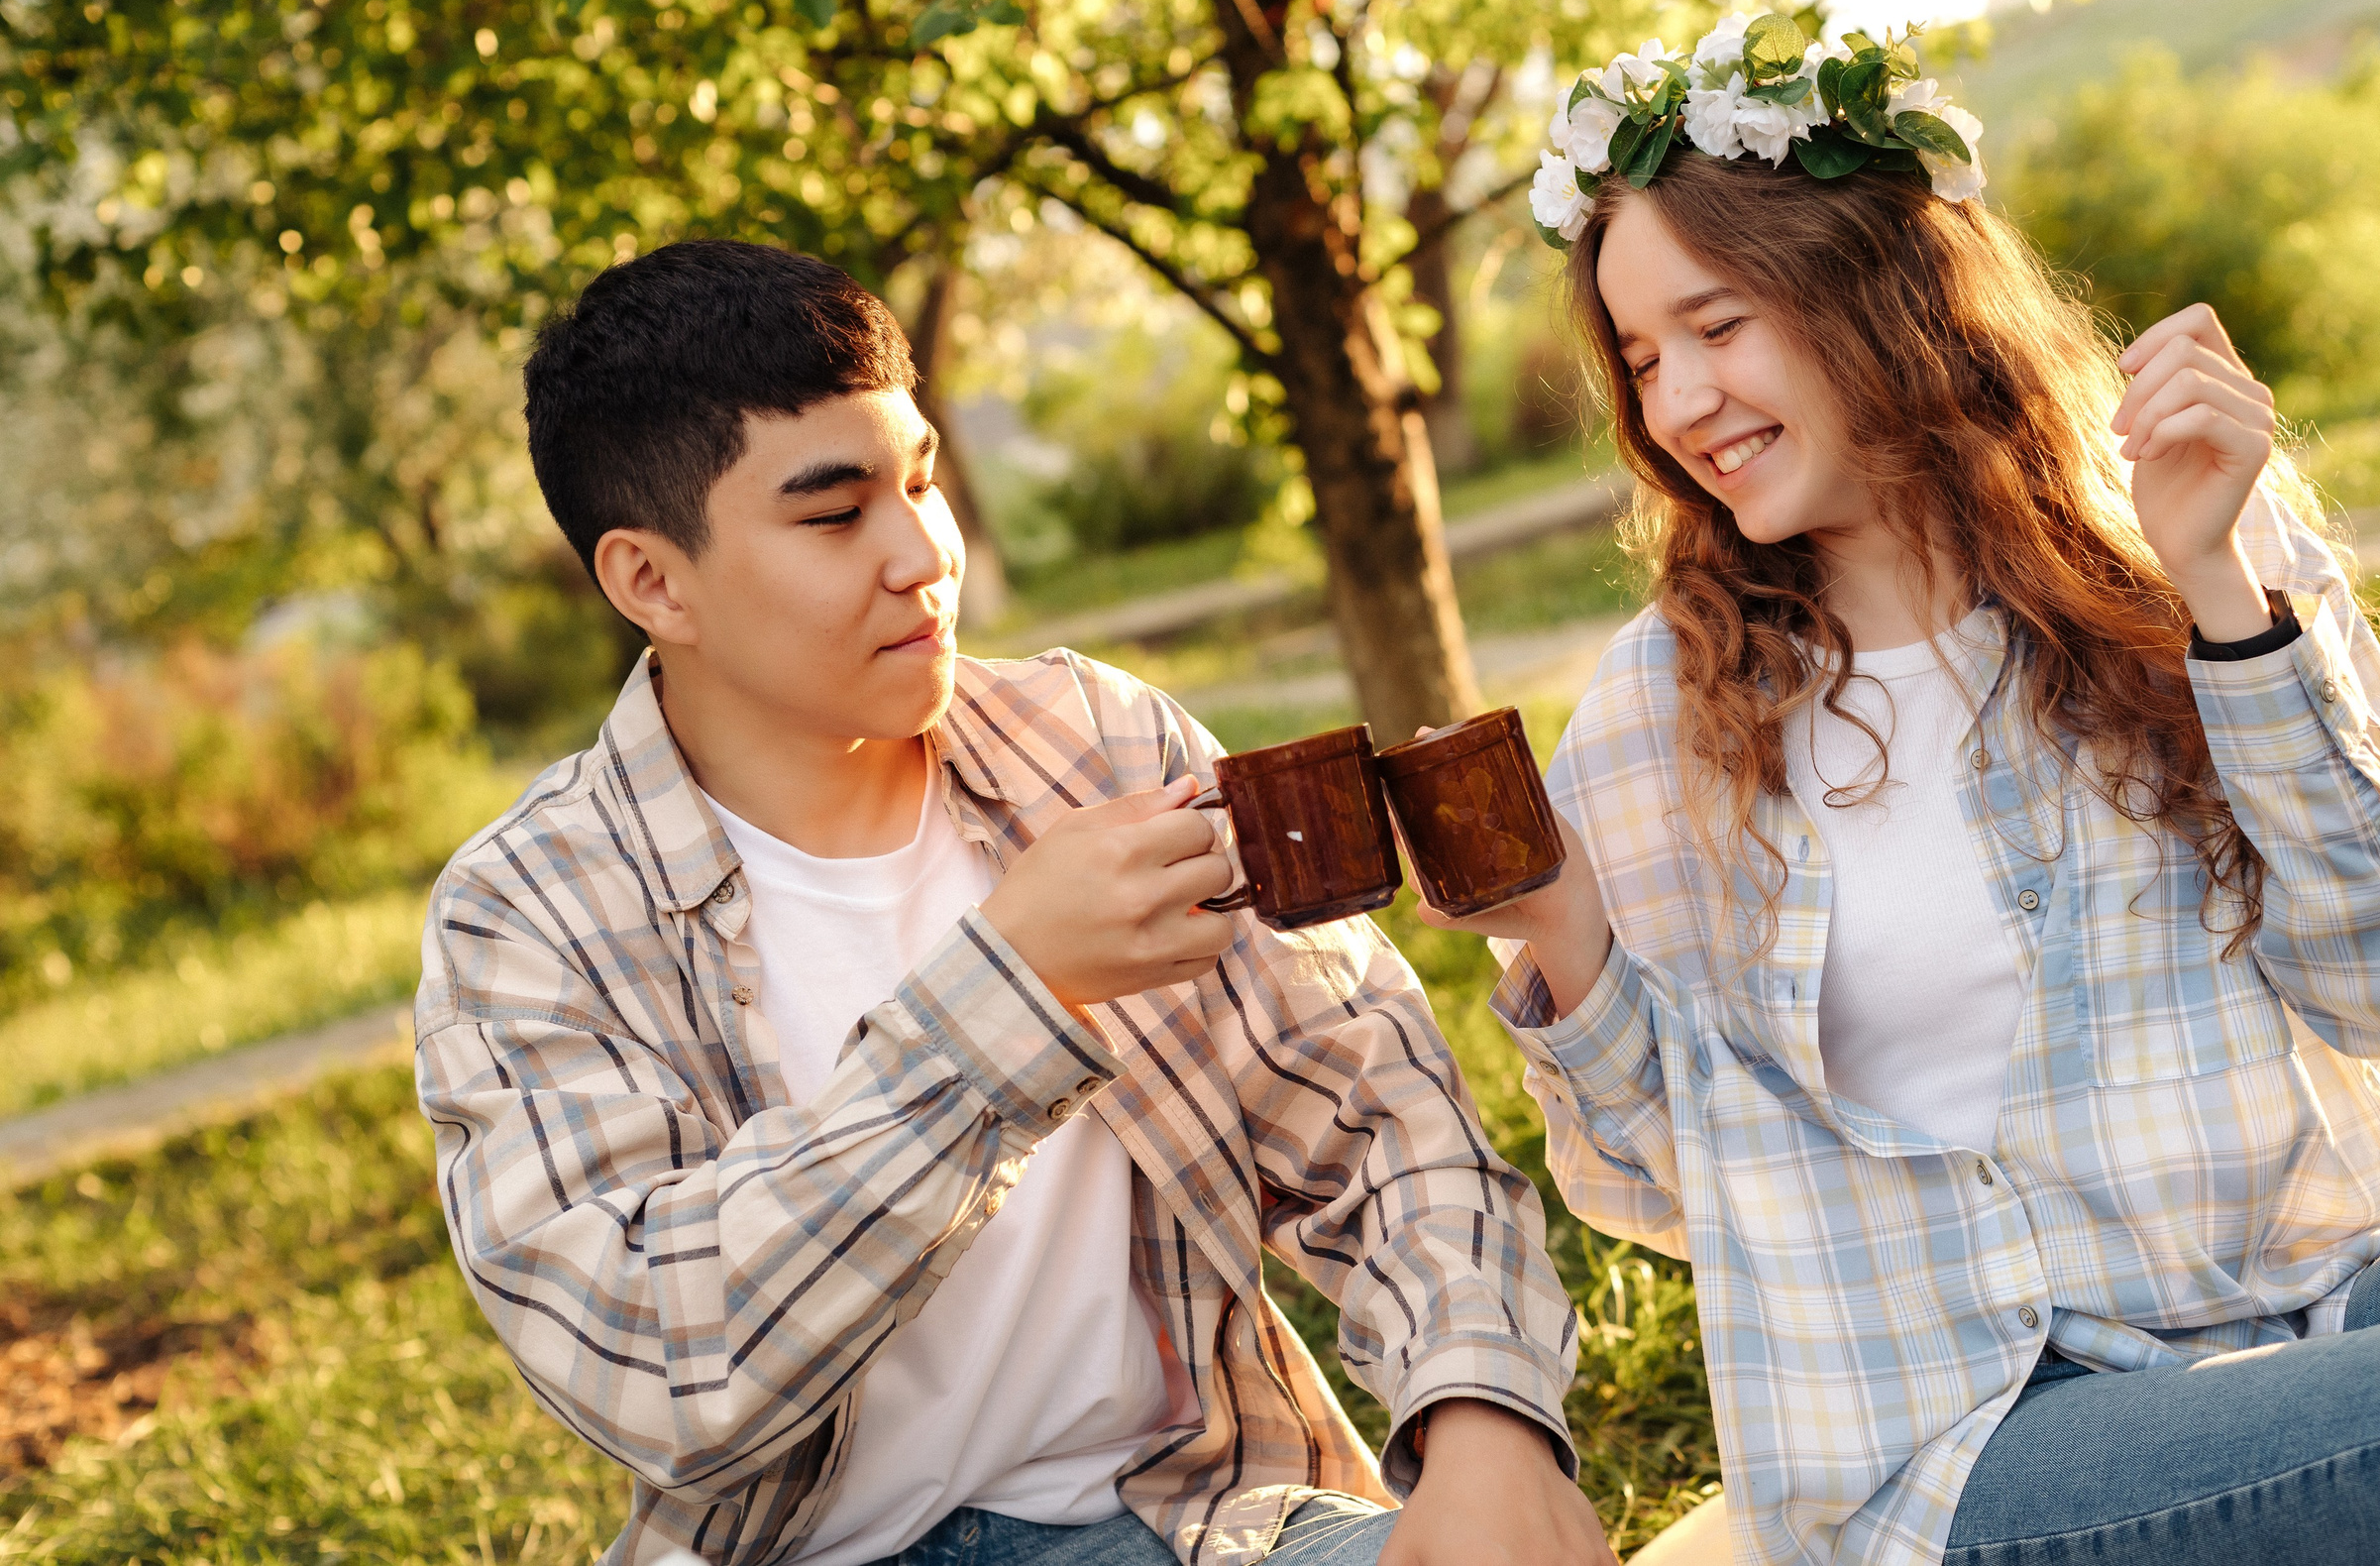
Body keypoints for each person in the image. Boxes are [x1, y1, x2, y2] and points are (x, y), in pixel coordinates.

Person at [1447, 14, 2380, 1565]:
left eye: (1720, 324)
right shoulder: (1659, 710)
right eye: (1640, 357)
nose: (1679, 401)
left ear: (1878, 292)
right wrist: (1565, 935)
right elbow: (1660, 1191)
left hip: (2324, 1328)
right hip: (1978, 1446)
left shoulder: (2181, 532)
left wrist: (2219, 585)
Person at [411, 240, 1612, 1566]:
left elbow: (1373, 1113)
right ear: (652, 582)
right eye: (832, 514)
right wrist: (1012, 992)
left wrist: (1485, 1416)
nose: (924, 554)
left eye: (920, 481)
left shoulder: (1096, 742)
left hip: (1189, 1523)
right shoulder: (526, 913)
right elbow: (658, 1369)